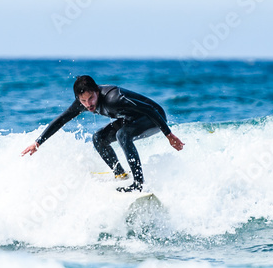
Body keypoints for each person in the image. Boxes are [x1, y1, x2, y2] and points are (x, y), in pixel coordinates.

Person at [21, 75, 184, 192]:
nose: (88, 105)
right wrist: (38, 142)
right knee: (98, 138)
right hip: (130, 119)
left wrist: (169, 135)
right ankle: (120, 173)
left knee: (122, 135)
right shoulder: (82, 103)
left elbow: (150, 109)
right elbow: (62, 119)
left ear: (97, 91)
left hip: (154, 117)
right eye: (83, 101)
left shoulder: (114, 98)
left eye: (91, 98)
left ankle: (138, 183)